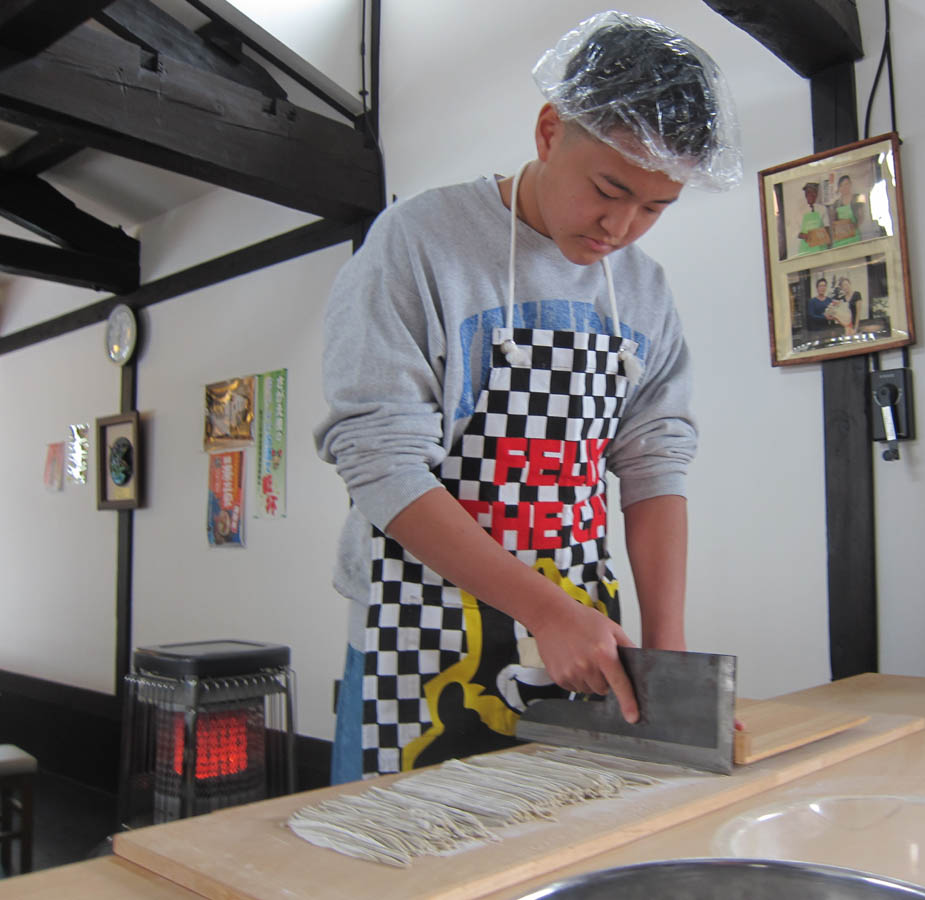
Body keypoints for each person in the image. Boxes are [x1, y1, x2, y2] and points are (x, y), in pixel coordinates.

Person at [313, 11, 741, 779]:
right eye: (609, 189)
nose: (621, 226)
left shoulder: (643, 291)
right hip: (420, 626)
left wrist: (668, 660)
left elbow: (654, 464)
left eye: (655, 208)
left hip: (580, 632)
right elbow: (380, 460)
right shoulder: (421, 243)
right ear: (549, 133)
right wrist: (542, 610)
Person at [796, 182, 831, 255]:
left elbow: (827, 227)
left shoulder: (822, 209)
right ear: (805, 195)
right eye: (807, 193)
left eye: (813, 192)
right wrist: (805, 236)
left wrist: (822, 237)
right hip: (806, 249)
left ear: (816, 194)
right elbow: (796, 232)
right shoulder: (800, 211)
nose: (810, 195)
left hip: (821, 248)